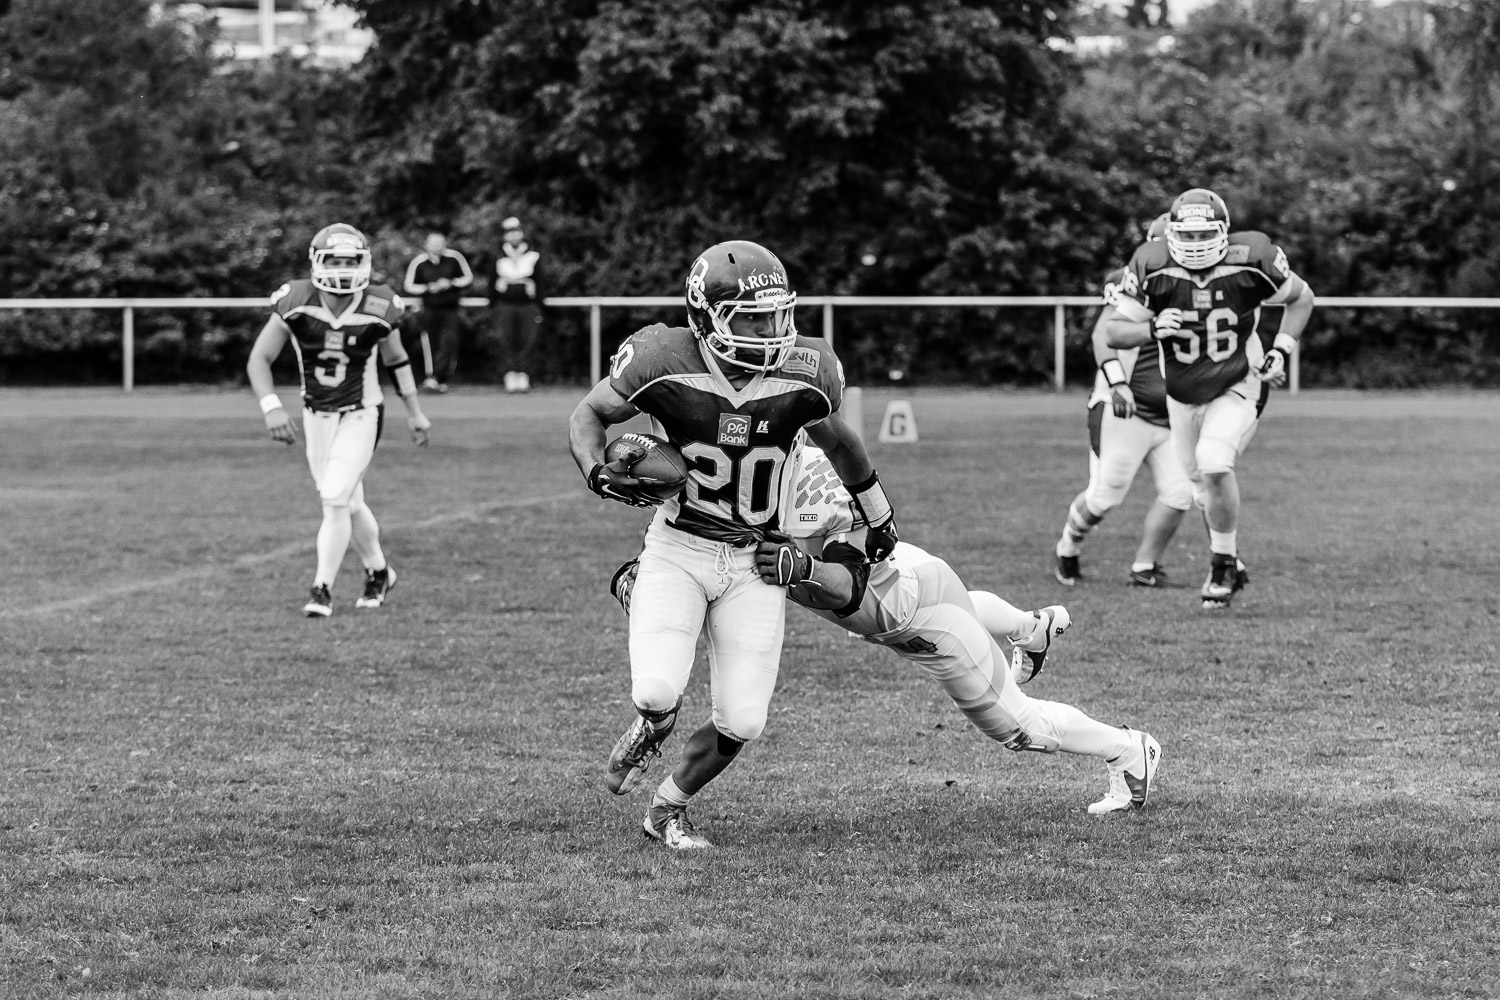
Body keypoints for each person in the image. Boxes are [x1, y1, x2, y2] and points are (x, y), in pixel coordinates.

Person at [612, 444, 1162, 819]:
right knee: (959, 602)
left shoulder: (816, 492)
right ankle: (1030, 627)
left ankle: (1128, 749)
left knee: (1017, 726)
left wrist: (801, 570)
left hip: (916, 614)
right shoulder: (752, 472)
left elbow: (843, 587)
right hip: (912, 579)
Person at [567, 239, 901, 850]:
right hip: (680, 546)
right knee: (655, 690)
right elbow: (589, 415)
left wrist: (877, 513)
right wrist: (597, 472)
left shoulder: (808, 367)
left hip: (756, 558)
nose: (768, 331)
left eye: (775, 316)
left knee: (744, 719)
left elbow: (842, 443)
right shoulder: (662, 357)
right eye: (749, 317)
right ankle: (653, 689)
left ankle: (667, 809)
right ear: (704, 314)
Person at [1108, 188, 1315, 609]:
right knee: (1201, 487)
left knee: (1215, 461)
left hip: (1238, 380)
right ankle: (1230, 563)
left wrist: (1282, 349)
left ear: (1224, 232)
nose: (1198, 245)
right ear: (1171, 234)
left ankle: (1221, 565)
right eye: (1189, 235)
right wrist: (1151, 329)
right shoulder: (1152, 264)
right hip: (1182, 394)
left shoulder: (1252, 259)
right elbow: (1114, 332)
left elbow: (1301, 298)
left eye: (1207, 235)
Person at [247, 223, 432, 617]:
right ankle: (380, 571)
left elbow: (396, 359)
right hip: (316, 416)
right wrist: (271, 406)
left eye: (351, 260)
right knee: (346, 500)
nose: (344, 268)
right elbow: (259, 359)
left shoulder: (379, 303)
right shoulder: (295, 300)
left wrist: (415, 412)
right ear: (318, 262)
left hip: (361, 413)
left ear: (364, 262)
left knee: (334, 497)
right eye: (336, 260)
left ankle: (321, 589)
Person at [1054, 213, 1193, 589]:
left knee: (1181, 493)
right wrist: (1117, 383)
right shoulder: (1131, 281)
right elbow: (1103, 334)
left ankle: (1144, 566)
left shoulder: (1205, 283)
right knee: (1104, 496)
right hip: (1125, 407)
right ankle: (1067, 546)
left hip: (1171, 413)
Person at [402, 231, 474, 393]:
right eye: (433, 244)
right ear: (427, 245)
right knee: (430, 343)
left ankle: (442, 378)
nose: (437, 247)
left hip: (451, 309)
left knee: (450, 342)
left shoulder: (454, 258)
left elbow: (468, 278)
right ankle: (431, 377)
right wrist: (428, 288)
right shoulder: (419, 262)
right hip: (429, 309)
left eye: (440, 243)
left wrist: (451, 283)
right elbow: (408, 285)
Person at [490, 217, 543, 393]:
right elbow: (492, 283)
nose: (513, 235)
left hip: (527, 305)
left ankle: (524, 375)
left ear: (521, 233)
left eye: (516, 231)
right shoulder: (498, 255)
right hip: (505, 305)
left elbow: (540, 282)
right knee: (505, 340)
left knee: (528, 340)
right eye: (509, 232)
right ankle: (510, 375)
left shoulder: (533, 255)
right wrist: (494, 305)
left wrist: (539, 306)